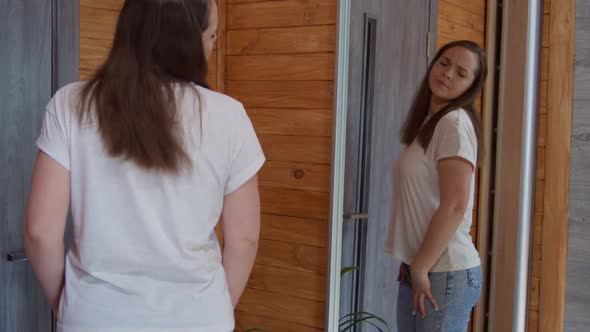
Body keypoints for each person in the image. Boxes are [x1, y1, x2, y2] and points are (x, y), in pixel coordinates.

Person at [22, 1, 264, 331]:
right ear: (185, 41)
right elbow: (244, 239)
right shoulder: (229, 116)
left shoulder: (70, 104)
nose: (212, 45)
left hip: (94, 317)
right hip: (197, 318)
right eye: (210, 35)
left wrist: (66, 306)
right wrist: (217, 309)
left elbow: (40, 233)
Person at [385, 40, 488, 332]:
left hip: (444, 272)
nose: (447, 73)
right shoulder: (432, 122)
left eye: (461, 72)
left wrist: (420, 266)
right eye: (444, 63)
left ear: (471, 86)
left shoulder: (453, 124)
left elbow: (455, 206)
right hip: (422, 267)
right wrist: (414, 265)